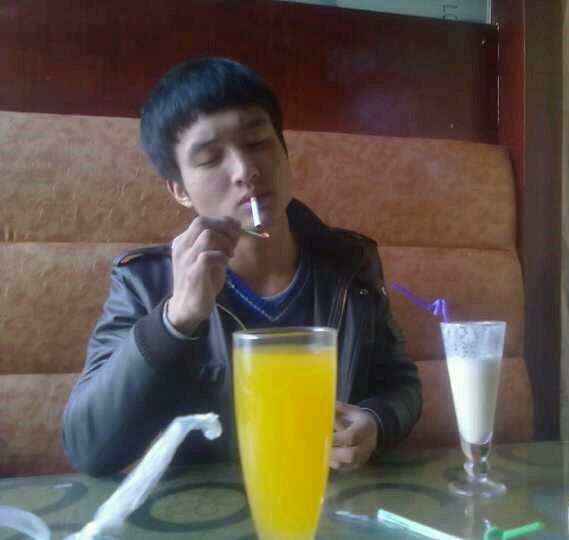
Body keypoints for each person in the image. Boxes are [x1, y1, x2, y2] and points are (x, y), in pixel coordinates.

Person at [61, 57, 422, 477]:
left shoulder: (351, 262)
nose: (245, 170)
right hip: (207, 508)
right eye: (210, 158)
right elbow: (87, 448)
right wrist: (176, 319)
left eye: (257, 141)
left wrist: (378, 423)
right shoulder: (144, 283)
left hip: (329, 498)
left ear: (284, 151)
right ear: (179, 190)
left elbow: (400, 384)